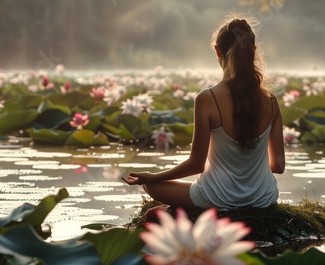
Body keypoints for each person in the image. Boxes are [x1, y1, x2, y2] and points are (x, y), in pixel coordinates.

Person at [121, 17, 285, 211]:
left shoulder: (207, 98)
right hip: (263, 198)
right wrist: (249, 165)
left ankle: (176, 210)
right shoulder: (271, 100)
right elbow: (279, 166)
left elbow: (196, 165)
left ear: (217, 50)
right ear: (253, 51)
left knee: (151, 186)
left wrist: (152, 177)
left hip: (217, 199)